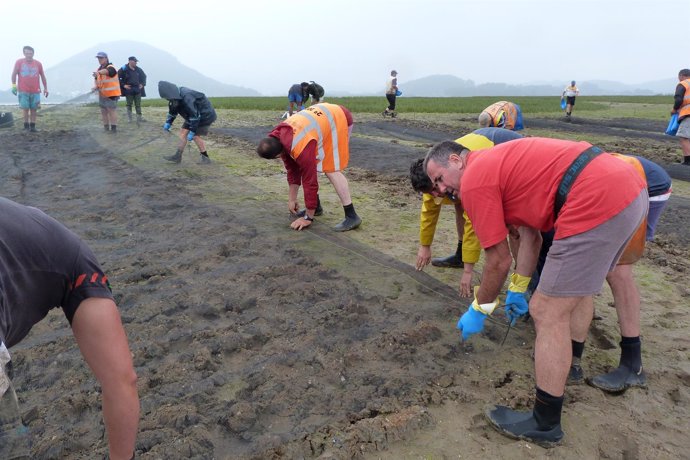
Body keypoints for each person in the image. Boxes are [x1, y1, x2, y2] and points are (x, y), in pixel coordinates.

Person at [424, 137, 647, 447]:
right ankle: (571, 365)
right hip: (627, 188)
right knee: (577, 291)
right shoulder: (500, 166)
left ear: (456, 160)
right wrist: (518, 288)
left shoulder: (474, 179)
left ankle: (545, 422)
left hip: (595, 195)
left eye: (440, 178)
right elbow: (531, 238)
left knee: (546, 309)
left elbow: (498, 261)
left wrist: (480, 308)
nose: (442, 189)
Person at [0, 197, 139, 460]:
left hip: (66, 258)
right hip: (31, 242)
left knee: (121, 380)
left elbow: (123, 382)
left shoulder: (75, 263)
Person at [410, 128, 523, 287]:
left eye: (436, 188)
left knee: (515, 218)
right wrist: (425, 246)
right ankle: (460, 254)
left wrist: (468, 271)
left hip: (501, 143)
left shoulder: (445, 176)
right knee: (458, 202)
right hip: (476, 147)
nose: (438, 193)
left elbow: (472, 223)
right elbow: (429, 213)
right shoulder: (433, 177)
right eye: (432, 191)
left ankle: (522, 275)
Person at [257, 103, 362, 232]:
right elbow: (293, 171)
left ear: (278, 154)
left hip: (339, 119)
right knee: (314, 163)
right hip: (324, 118)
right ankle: (316, 207)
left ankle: (352, 216)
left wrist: (308, 217)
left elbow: (309, 181)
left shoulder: (300, 145)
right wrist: (292, 199)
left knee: (330, 169)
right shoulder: (279, 137)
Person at [158, 81, 217, 164]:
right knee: (182, 133)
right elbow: (172, 111)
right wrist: (168, 123)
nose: (167, 99)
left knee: (195, 136)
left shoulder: (187, 95)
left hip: (205, 115)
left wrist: (192, 131)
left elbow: (195, 115)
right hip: (192, 116)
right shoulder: (174, 97)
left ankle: (206, 159)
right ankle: (177, 156)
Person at [10, 46, 48, 132]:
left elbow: (42, 76)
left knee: (34, 109)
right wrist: (13, 86)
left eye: (30, 53)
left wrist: (45, 88)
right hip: (23, 90)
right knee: (25, 108)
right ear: (24, 53)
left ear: (33, 53)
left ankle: (33, 126)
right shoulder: (19, 62)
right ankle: (26, 126)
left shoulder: (38, 64)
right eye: (27, 53)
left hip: (35, 90)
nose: (29, 55)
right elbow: (14, 74)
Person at [92, 51, 121, 132]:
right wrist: (95, 87)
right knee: (103, 111)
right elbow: (98, 81)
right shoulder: (98, 69)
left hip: (112, 94)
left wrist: (99, 73)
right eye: (98, 58)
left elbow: (108, 72)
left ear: (106, 58)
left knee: (111, 110)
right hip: (102, 95)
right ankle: (106, 128)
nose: (99, 59)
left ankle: (114, 128)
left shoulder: (111, 67)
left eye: (101, 58)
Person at [118, 56, 147, 124]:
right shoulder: (123, 69)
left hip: (137, 89)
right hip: (129, 89)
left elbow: (144, 76)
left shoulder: (138, 69)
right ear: (130, 61)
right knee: (129, 105)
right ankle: (130, 119)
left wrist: (142, 84)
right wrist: (123, 85)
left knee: (138, 105)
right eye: (135, 61)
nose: (136, 63)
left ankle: (139, 118)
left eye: (136, 61)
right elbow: (117, 77)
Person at [671, 68, 690, 165]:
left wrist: (674, 109)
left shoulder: (683, 84)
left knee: (683, 137)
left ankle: (688, 161)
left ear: (682, 75)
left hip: (688, 113)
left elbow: (678, 99)